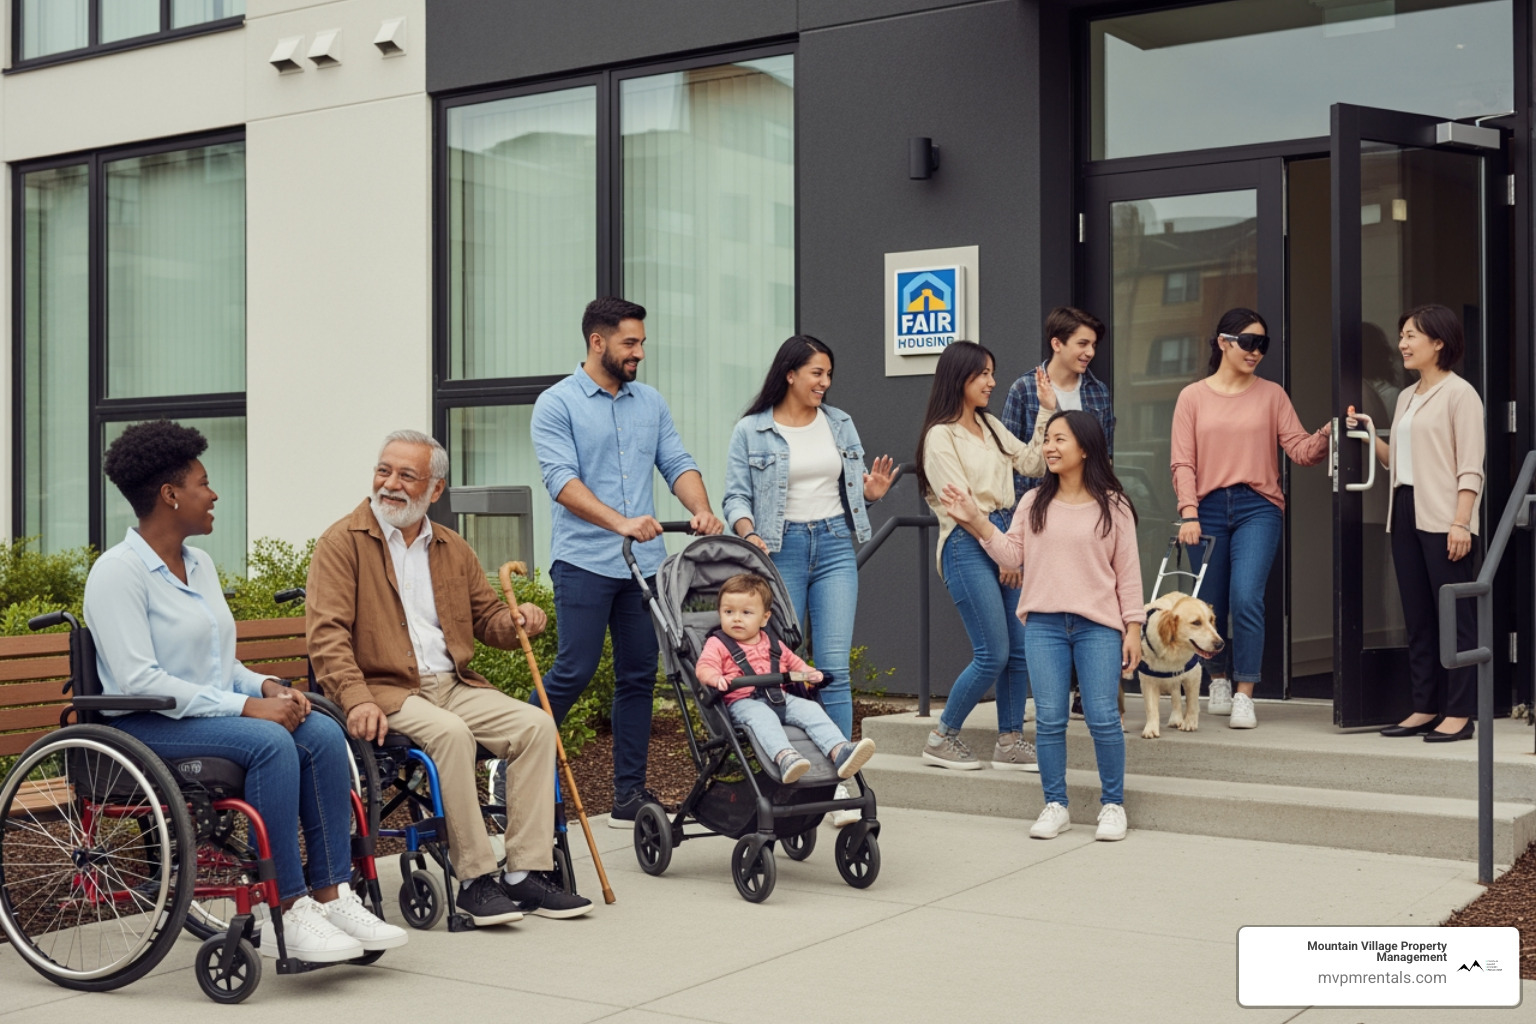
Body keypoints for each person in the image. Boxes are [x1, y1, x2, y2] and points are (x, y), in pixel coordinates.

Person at [84, 420, 409, 962]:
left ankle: (332, 895)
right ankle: (288, 908)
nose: (213, 495)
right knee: (270, 742)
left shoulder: (199, 565)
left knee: (321, 733)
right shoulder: (118, 573)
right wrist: (246, 707)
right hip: (141, 726)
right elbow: (140, 681)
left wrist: (266, 686)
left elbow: (219, 664)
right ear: (169, 495)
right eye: (203, 483)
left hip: (200, 717)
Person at [307, 430, 592, 926]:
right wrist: (355, 698)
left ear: (435, 489)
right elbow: (327, 635)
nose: (390, 484)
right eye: (384, 471)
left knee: (536, 726)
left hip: (453, 684)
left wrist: (517, 621)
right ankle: (475, 881)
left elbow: (486, 619)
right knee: (452, 735)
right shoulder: (341, 543)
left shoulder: (451, 546)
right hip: (386, 690)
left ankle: (525, 872)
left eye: (406, 476)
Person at [531, 297, 725, 830]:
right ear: (598, 342)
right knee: (574, 669)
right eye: (630, 343)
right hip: (583, 561)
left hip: (644, 567)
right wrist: (620, 522)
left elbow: (677, 463)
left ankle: (628, 794)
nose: (639, 352)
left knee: (638, 677)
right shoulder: (557, 403)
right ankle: (510, 756)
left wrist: (701, 510)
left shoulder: (650, 403)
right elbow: (561, 481)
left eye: (641, 342)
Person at [940, 410, 1144, 842]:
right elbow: (1011, 556)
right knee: (1050, 720)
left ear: (1085, 448)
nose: (1049, 447)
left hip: (1098, 626)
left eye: (1059, 439)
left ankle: (1113, 805)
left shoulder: (1115, 505)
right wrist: (975, 518)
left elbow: (1128, 574)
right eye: (1047, 439)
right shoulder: (1033, 502)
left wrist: (1133, 628)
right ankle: (1056, 805)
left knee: (1103, 717)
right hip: (1044, 625)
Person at [722, 335, 895, 825]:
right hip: (782, 550)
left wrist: (872, 494)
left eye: (829, 374)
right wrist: (748, 533)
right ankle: (793, 767)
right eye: (817, 373)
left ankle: (837, 779)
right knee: (783, 667)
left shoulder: (839, 423)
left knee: (833, 667)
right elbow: (735, 496)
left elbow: (852, 490)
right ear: (790, 374)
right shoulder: (751, 430)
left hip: (836, 543)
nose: (825, 382)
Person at [1171, 308, 1331, 729]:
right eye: (1248, 342)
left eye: (1263, 344)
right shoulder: (1192, 397)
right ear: (1223, 343)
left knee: (1246, 597)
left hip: (1258, 506)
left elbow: (1300, 450)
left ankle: (1245, 693)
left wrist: (1326, 435)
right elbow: (1183, 462)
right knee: (1209, 604)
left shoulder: (1272, 395)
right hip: (1206, 509)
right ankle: (1218, 680)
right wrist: (1189, 513)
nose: (1256, 351)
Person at [1348, 305, 1484, 742]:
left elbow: (1471, 467)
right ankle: (1425, 706)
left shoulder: (1461, 394)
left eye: (1411, 336)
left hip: (1446, 516)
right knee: (1419, 616)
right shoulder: (1407, 396)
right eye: (1402, 335)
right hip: (1405, 509)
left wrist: (1461, 522)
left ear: (1438, 342)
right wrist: (1371, 434)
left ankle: (1459, 712)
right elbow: (1400, 461)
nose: (1402, 344)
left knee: (1455, 617)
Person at [915, 340, 1053, 771]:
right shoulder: (940, 436)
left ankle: (1010, 741)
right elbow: (961, 505)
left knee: (1019, 650)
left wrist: (1046, 410)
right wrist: (1002, 553)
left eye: (992, 373)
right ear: (959, 377)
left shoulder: (989, 424)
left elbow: (1033, 464)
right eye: (983, 374)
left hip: (1002, 536)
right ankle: (941, 737)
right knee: (992, 652)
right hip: (966, 542)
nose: (992, 382)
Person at [695, 573, 877, 782]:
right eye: (728, 612)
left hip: (779, 697)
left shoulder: (772, 643)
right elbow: (704, 667)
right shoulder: (717, 643)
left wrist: (809, 673)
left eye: (746, 612)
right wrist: (715, 678)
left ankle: (839, 750)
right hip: (743, 702)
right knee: (763, 717)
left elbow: (793, 662)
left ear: (764, 618)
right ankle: (785, 758)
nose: (736, 618)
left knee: (811, 710)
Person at [1002, 306, 1114, 502]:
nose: (1090, 352)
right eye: (1082, 344)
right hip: (1036, 502)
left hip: (1086, 501)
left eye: (1093, 345)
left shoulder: (1098, 391)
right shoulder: (1024, 389)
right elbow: (1007, 457)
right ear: (1057, 344)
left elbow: (1105, 455)